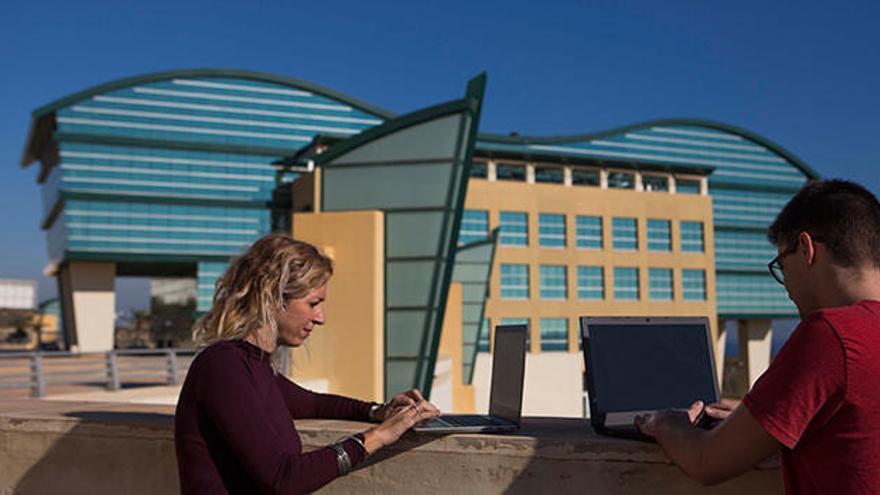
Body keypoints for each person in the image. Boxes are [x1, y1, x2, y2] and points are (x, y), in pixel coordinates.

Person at [634, 179, 880, 493]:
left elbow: (706, 462)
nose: (785, 283)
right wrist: (757, 417)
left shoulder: (831, 334)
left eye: (781, 264)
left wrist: (667, 423)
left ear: (806, 249)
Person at [174, 234, 441, 494]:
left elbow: (313, 403)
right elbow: (283, 478)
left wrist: (379, 410)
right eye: (313, 303)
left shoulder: (255, 366)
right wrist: (379, 436)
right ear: (273, 298)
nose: (320, 318)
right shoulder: (223, 367)